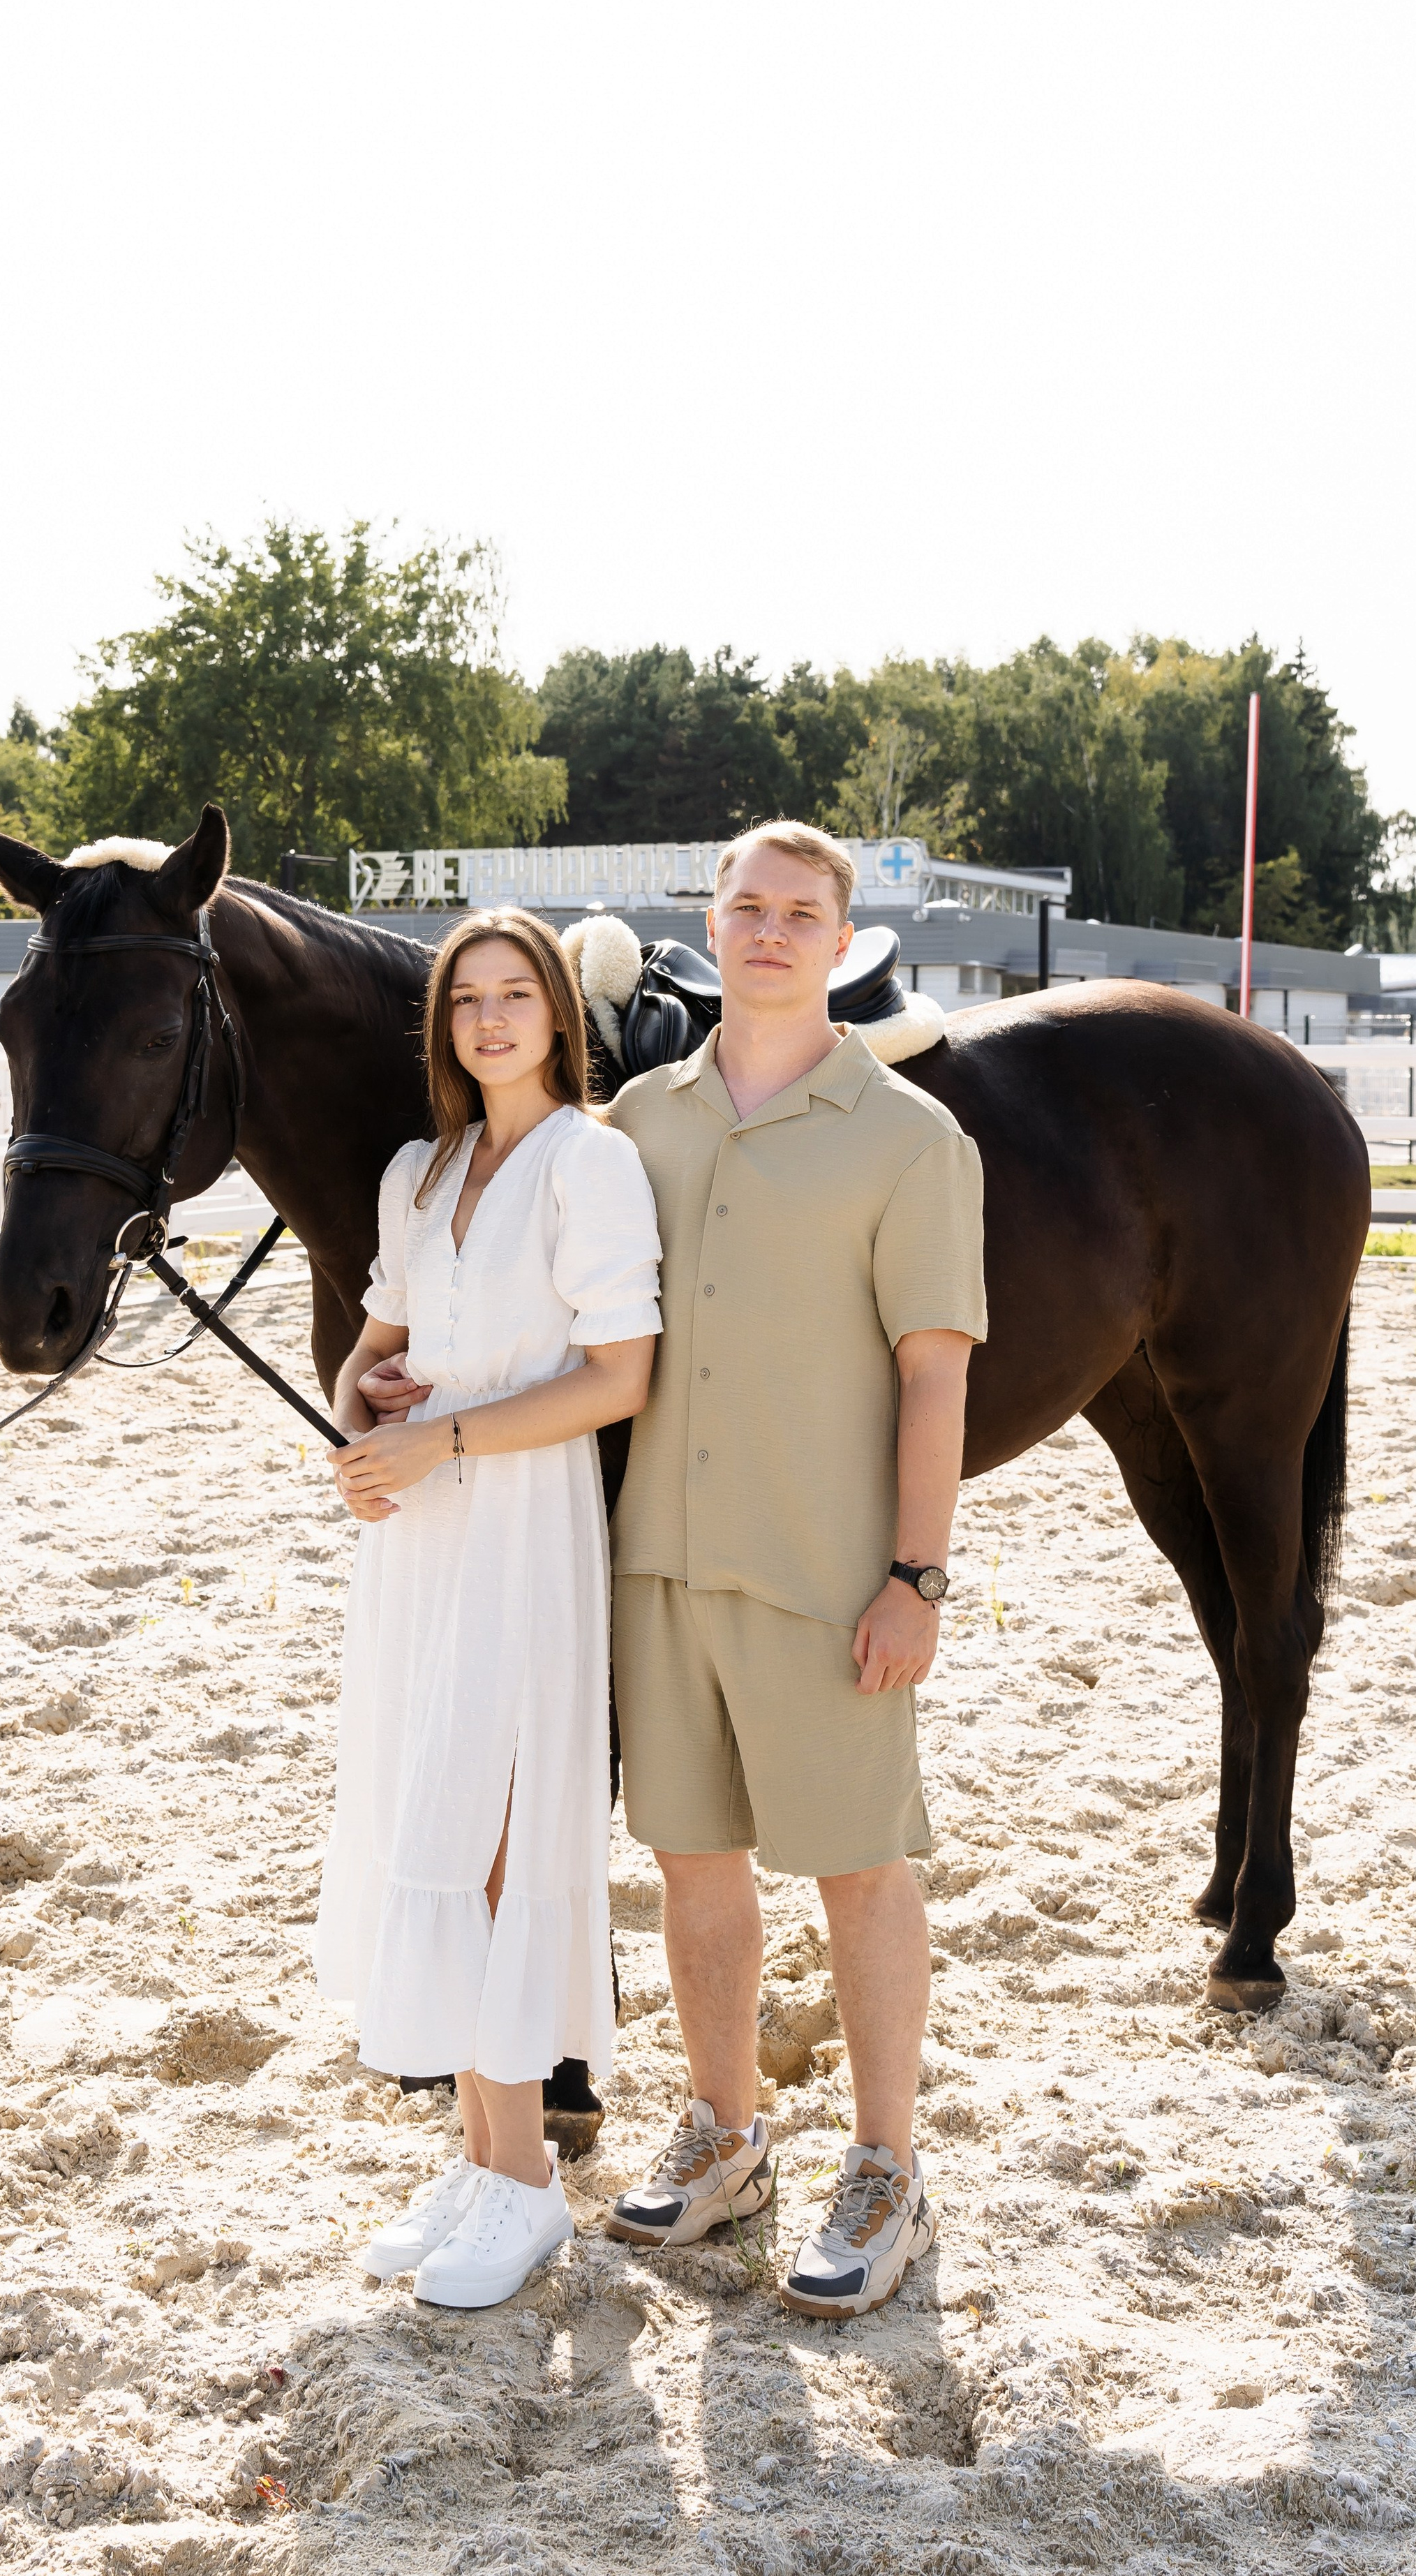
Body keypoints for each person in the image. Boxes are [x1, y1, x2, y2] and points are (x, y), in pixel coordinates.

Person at [601, 820, 985, 2319]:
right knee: (690, 1865)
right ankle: (727, 2134)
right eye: (746, 907)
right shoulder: (635, 1119)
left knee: (857, 1869)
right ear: (712, 925)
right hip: (660, 1564)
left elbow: (935, 1377)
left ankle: (887, 2167)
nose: (768, 931)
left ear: (841, 939)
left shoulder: (910, 1138)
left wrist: (915, 1579)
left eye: (798, 913)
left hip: (827, 1579)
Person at [312, 908, 662, 2310]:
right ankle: (478, 2160)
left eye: (516, 994)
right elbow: (375, 1349)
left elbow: (618, 1377)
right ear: (444, 1024)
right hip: (418, 1532)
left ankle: (524, 2180)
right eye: (467, 999)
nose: (490, 1019)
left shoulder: (591, 1162)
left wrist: (440, 1437)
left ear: (557, 1017)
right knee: (428, 1821)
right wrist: (361, 1423)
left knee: (502, 1835)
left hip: (519, 1518)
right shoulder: (421, 1169)